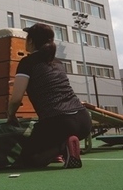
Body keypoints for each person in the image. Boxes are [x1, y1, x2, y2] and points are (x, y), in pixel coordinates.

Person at [7, 23, 92, 169]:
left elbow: (15, 99)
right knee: (45, 148)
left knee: (28, 161)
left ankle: (64, 144)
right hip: (83, 120)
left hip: (58, 121)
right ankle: (65, 147)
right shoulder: (57, 63)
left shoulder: (27, 62)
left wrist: (11, 115)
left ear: (32, 41)